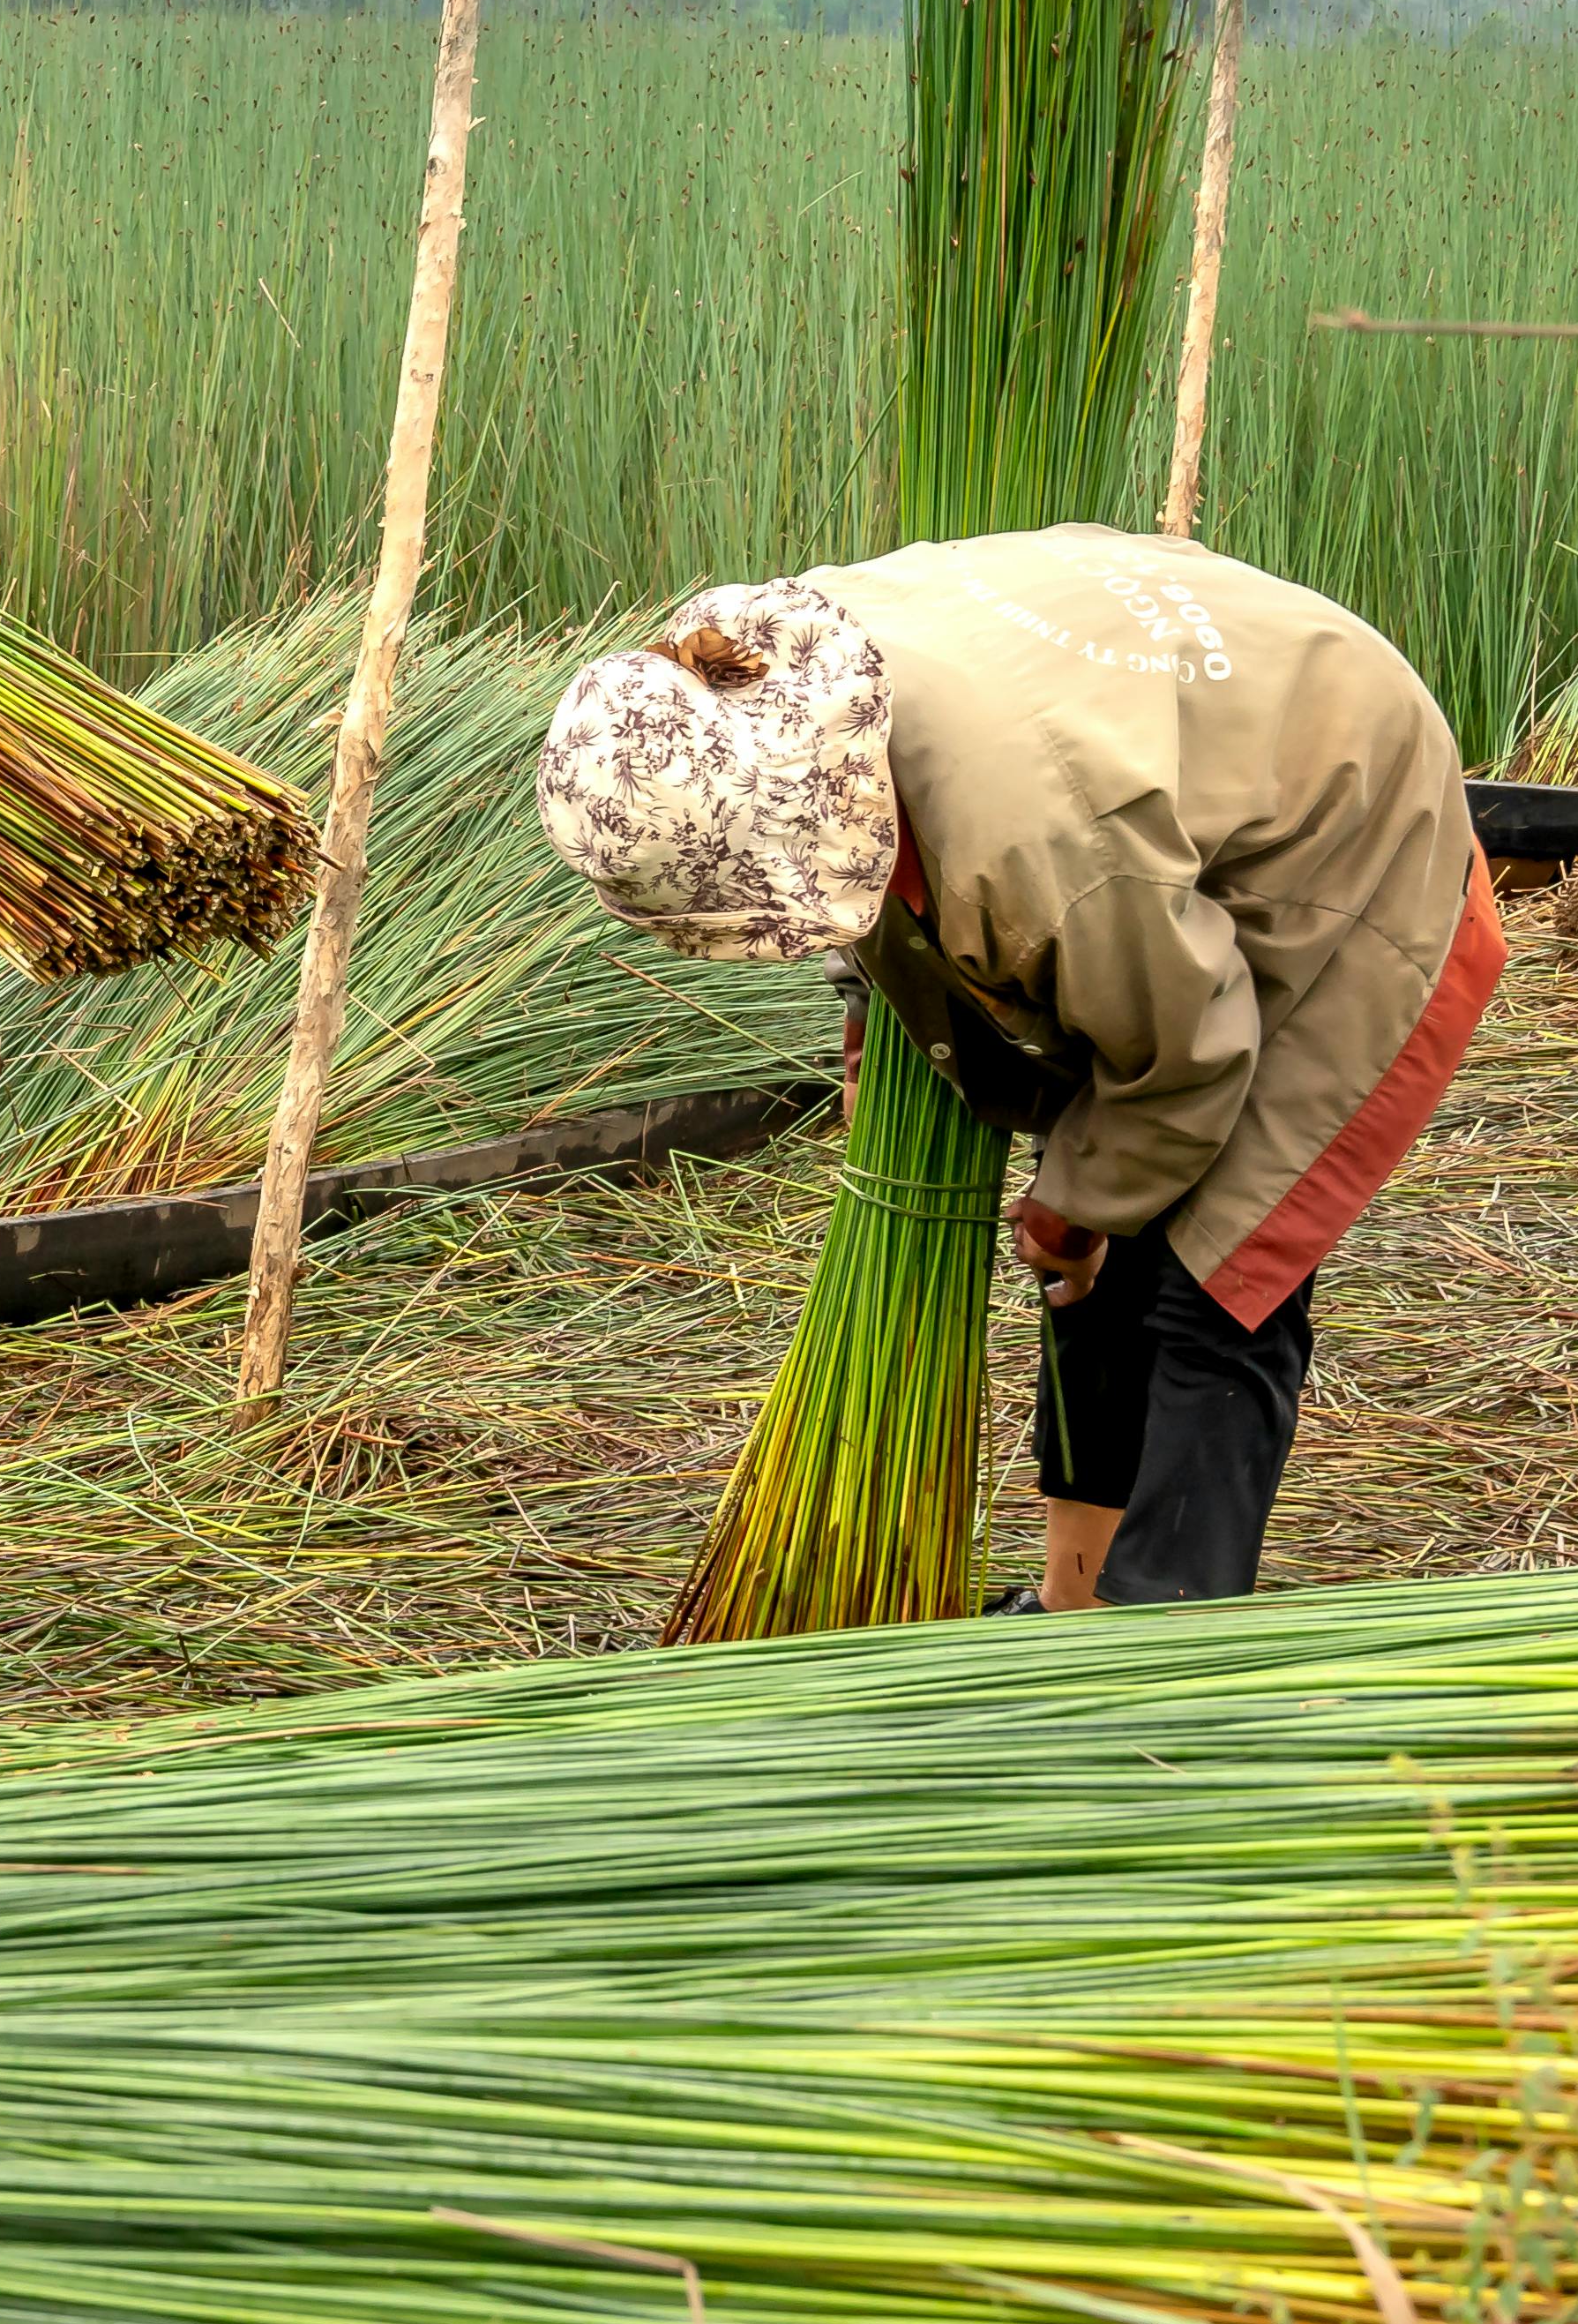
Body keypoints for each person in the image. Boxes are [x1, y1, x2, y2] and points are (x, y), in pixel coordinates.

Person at [529, 530, 1501, 1606]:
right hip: (1152, 761)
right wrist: (875, 1034)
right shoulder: (777, 669)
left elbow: (1186, 1062)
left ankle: (1156, 1653)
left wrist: (1075, 1205)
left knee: (1216, 1268)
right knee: (1095, 1244)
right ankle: (1071, 1598)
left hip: (1345, 807)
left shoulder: (1044, 858)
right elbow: (873, 889)